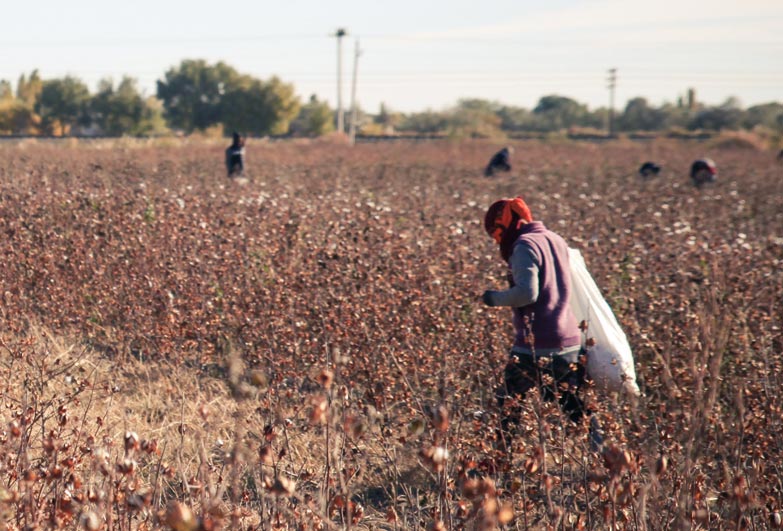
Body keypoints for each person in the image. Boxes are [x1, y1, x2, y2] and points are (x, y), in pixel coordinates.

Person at [481, 196, 600, 449]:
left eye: (496, 233)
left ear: (507, 225)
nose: (497, 241)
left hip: (536, 343)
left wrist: (493, 298)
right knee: (577, 408)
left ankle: (497, 463)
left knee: (508, 404)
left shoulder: (524, 246)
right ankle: (609, 461)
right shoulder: (555, 239)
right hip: (568, 339)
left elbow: (527, 293)